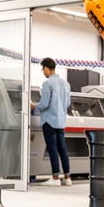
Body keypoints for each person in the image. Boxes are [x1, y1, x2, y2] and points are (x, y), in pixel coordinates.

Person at [30, 57, 72, 186]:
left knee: (52, 149)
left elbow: (44, 103)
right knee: (62, 149)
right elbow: (68, 103)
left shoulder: (47, 83)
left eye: (43, 69)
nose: (43, 72)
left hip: (49, 121)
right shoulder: (66, 83)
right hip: (61, 121)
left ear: (48, 68)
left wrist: (33, 106)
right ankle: (67, 178)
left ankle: (55, 178)